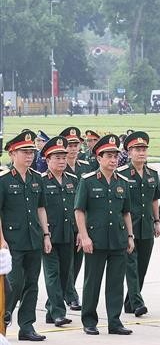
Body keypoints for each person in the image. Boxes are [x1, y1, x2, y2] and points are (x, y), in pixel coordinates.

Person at [75, 134, 135, 335]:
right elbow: (79, 210)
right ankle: (89, 320)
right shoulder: (88, 181)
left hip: (117, 239)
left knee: (116, 282)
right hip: (96, 239)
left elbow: (126, 212)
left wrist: (130, 236)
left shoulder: (123, 182)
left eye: (115, 156)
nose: (113, 159)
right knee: (92, 282)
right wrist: (84, 236)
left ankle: (115, 321)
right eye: (108, 155)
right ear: (98, 158)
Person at [0, 131, 52, 341]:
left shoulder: (36, 179)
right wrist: (1, 241)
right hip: (12, 241)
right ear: (13, 154)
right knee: (13, 284)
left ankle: (27, 326)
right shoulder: (3, 180)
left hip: (33, 238)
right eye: (24, 152)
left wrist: (46, 234)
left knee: (32, 283)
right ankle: (3, 320)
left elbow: (41, 208)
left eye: (31, 152)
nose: (29, 156)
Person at [117, 132, 160, 317]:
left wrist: (157, 221)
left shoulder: (152, 174)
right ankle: (137, 302)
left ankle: (130, 302)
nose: (141, 153)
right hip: (129, 228)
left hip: (146, 227)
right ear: (129, 152)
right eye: (137, 149)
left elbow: (154, 200)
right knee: (131, 266)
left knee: (142, 267)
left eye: (144, 149)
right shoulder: (122, 174)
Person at [41, 136, 78, 328]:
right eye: (57, 158)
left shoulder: (73, 180)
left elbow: (78, 209)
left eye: (64, 157)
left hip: (68, 234)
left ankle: (50, 309)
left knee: (65, 275)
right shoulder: (40, 181)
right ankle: (58, 313)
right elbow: (40, 210)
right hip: (49, 236)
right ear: (47, 160)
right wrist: (45, 234)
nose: (62, 161)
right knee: (52, 274)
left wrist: (80, 231)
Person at [60, 127, 90, 311]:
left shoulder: (86, 168)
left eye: (76, 144)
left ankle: (68, 290)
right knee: (65, 262)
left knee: (77, 261)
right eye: (69, 144)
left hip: (81, 222)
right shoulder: (57, 165)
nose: (73, 148)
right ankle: (69, 293)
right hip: (62, 221)